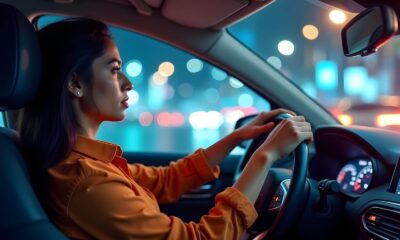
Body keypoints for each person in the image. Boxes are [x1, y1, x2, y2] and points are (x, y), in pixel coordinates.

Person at [18, 18, 313, 239]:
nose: (127, 83)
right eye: (114, 69)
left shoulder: (89, 165)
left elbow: (165, 180)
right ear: (76, 84)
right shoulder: (87, 183)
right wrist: (265, 157)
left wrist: (236, 137)